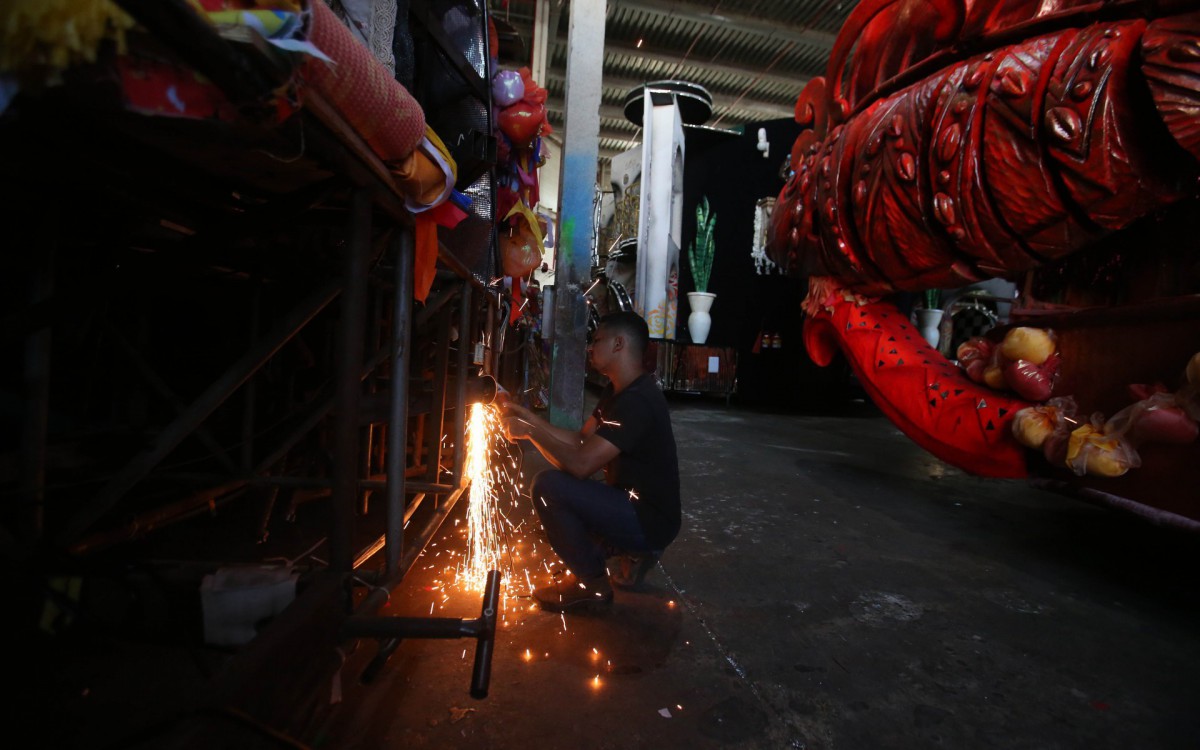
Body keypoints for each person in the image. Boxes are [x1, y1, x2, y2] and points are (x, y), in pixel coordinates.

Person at [499, 311, 681, 613]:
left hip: (650, 520)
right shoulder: (618, 391)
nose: (590, 347)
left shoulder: (638, 401)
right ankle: (625, 551)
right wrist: (529, 418)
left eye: (597, 340)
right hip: (633, 505)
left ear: (619, 344)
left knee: (549, 488)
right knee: (564, 499)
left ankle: (592, 585)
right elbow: (581, 441)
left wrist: (531, 433)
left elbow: (582, 464)